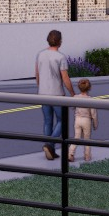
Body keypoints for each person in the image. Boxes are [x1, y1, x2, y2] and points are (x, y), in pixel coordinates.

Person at [35, 29, 73, 160]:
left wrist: (41, 87)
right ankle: (50, 144)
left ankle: (50, 151)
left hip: (43, 93)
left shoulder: (40, 55)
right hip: (56, 94)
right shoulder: (60, 57)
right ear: (60, 42)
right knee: (62, 121)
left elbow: (37, 75)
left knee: (47, 122)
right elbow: (65, 79)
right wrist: (72, 93)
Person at [71, 78, 99, 162]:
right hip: (86, 120)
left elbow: (73, 106)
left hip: (77, 119)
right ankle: (87, 156)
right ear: (89, 88)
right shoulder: (90, 100)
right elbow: (93, 114)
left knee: (76, 138)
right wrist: (95, 124)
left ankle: (71, 154)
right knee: (87, 139)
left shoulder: (75, 97)